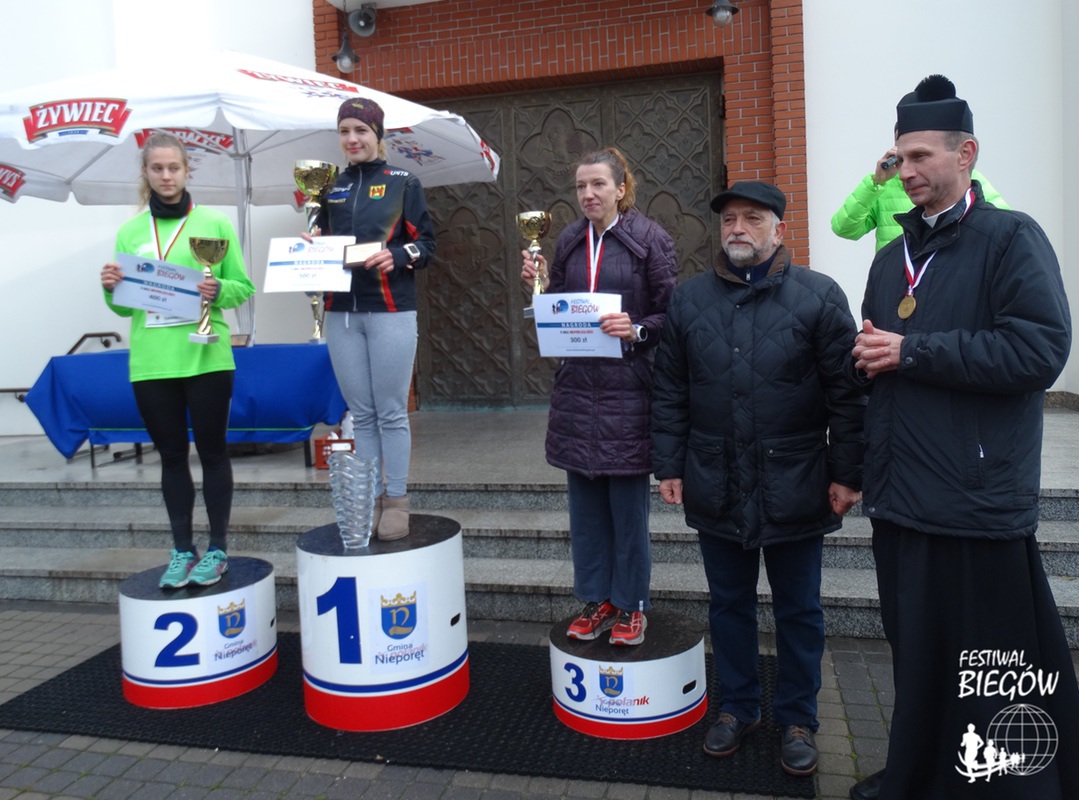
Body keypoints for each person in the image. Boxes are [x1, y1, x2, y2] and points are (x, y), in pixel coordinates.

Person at [850, 74, 1078, 800]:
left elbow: (1039, 351)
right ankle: (918, 774)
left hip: (973, 500)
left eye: (921, 157)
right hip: (900, 498)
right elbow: (881, 362)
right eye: (899, 158)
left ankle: (1002, 786)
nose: (906, 172)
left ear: (966, 153)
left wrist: (911, 352)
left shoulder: (1011, 238)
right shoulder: (890, 258)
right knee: (919, 657)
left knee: (989, 667)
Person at [651, 181, 864, 775]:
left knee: (799, 609)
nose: (738, 228)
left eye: (752, 218)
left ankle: (798, 718)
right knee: (729, 605)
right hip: (714, 476)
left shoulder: (819, 296)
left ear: (778, 229)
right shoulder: (690, 299)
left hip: (795, 479)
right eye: (729, 220)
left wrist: (848, 473)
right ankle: (737, 708)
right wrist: (669, 463)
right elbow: (670, 389)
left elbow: (848, 395)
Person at [521, 147, 677, 646]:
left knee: (627, 515)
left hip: (628, 391)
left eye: (598, 185)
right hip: (577, 392)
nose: (588, 194)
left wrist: (637, 330)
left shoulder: (649, 239)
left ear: (620, 188)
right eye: (581, 186)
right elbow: (560, 309)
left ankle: (631, 605)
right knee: (586, 513)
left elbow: (671, 314)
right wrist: (541, 289)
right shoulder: (569, 239)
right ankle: (596, 599)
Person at [100, 131, 255, 589]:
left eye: (174, 167)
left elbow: (242, 287)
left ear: (188, 171)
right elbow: (124, 307)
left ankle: (218, 550)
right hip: (153, 362)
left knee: (213, 452)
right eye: (157, 168)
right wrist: (110, 287)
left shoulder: (214, 223)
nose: (166, 176)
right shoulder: (131, 232)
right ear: (146, 173)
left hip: (207, 356)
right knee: (170, 456)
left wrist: (217, 289)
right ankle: (183, 550)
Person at [315, 97, 435, 540]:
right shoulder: (329, 187)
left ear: (378, 135)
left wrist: (398, 255)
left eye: (361, 130)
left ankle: (397, 500)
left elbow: (428, 245)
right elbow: (322, 244)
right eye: (344, 131)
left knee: (391, 412)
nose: (352, 139)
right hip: (341, 313)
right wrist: (308, 246)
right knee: (361, 414)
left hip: (390, 309)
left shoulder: (403, 182)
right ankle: (368, 498)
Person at [831, 141, 1008, 251]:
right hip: (899, 280)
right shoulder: (883, 185)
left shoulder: (965, 178)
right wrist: (876, 182)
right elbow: (845, 228)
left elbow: (1003, 229)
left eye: (919, 155)